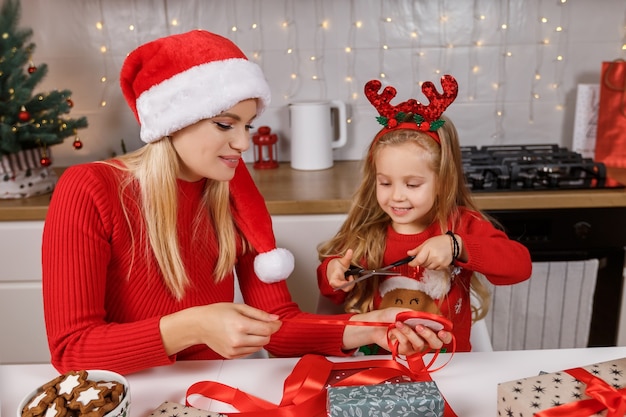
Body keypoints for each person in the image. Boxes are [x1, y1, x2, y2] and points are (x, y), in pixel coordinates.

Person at [41, 30, 445, 376]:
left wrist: (368, 328)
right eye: (224, 124)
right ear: (174, 121)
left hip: (215, 388)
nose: (244, 143)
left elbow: (279, 324)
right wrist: (194, 326)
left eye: (247, 124)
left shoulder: (229, 190)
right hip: (127, 393)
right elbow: (72, 350)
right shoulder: (90, 188)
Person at [317, 75, 532, 353]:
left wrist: (457, 245)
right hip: (379, 367)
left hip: (449, 367)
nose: (396, 195)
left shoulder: (460, 224)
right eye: (385, 182)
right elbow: (328, 290)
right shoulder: (368, 233)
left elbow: (520, 265)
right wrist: (333, 272)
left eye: (412, 184)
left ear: (442, 182)